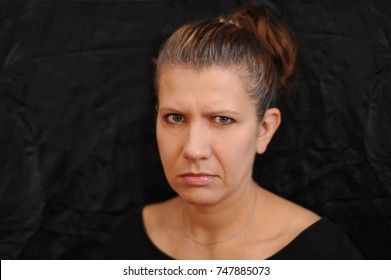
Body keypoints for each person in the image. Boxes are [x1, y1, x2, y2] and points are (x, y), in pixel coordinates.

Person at [107, 5, 362, 259]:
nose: (194, 150)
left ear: (264, 130)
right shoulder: (130, 238)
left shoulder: (322, 256)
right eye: (175, 117)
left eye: (222, 119)